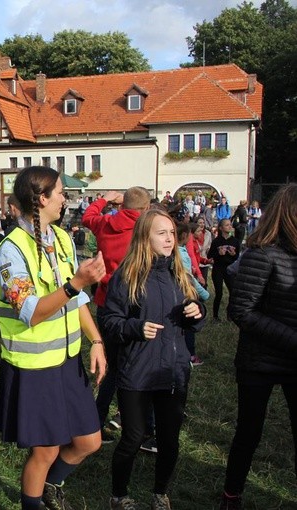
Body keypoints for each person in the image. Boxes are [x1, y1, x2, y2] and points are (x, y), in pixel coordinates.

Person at [0, 166, 107, 510]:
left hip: (66, 359)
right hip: (33, 366)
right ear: (41, 199)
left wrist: (96, 341)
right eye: (60, 193)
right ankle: (32, 503)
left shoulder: (60, 237)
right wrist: (77, 283)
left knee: (90, 441)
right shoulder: (10, 251)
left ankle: (50, 486)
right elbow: (33, 312)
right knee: (46, 449)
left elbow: (78, 300)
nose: (65, 200)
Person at [102, 209, 206, 510]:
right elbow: (109, 320)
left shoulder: (178, 274)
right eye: (162, 233)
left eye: (172, 233)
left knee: (169, 440)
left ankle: (161, 494)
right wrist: (135, 327)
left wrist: (196, 313)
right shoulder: (128, 275)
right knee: (133, 437)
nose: (170, 239)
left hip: (172, 371)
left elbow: (196, 315)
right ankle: (119, 495)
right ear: (144, 237)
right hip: (138, 370)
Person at [219, 184, 297, 510]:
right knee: (249, 433)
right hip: (259, 362)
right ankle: (231, 496)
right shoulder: (263, 254)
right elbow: (241, 311)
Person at [83, 187, 152, 443]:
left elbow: (88, 216)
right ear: (145, 209)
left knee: (110, 368)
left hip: (106, 301)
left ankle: (97, 423)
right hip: (137, 304)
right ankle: (142, 427)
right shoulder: (145, 229)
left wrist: (105, 199)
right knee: (141, 367)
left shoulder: (105, 223)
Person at [177, 223, 210, 366]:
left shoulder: (179, 251)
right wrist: (204, 294)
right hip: (186, 294)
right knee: (188, 326)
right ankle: (190, 356)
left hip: (182, 292)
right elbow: (187, 277)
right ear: (185, 236)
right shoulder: (181, 254)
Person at [208, 219, 241, 320]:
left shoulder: (235, 241)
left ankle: (229, 314)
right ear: (221, 228)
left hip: (229, 269)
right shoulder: (216, 241)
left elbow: (238, 257)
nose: (229, 227)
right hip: (218, 268)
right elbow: (209, 255)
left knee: (232, 292)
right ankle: (215, 316)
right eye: (227, 225)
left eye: (230, 225)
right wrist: (218, 253)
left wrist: (234, 254)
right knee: (219, 293)